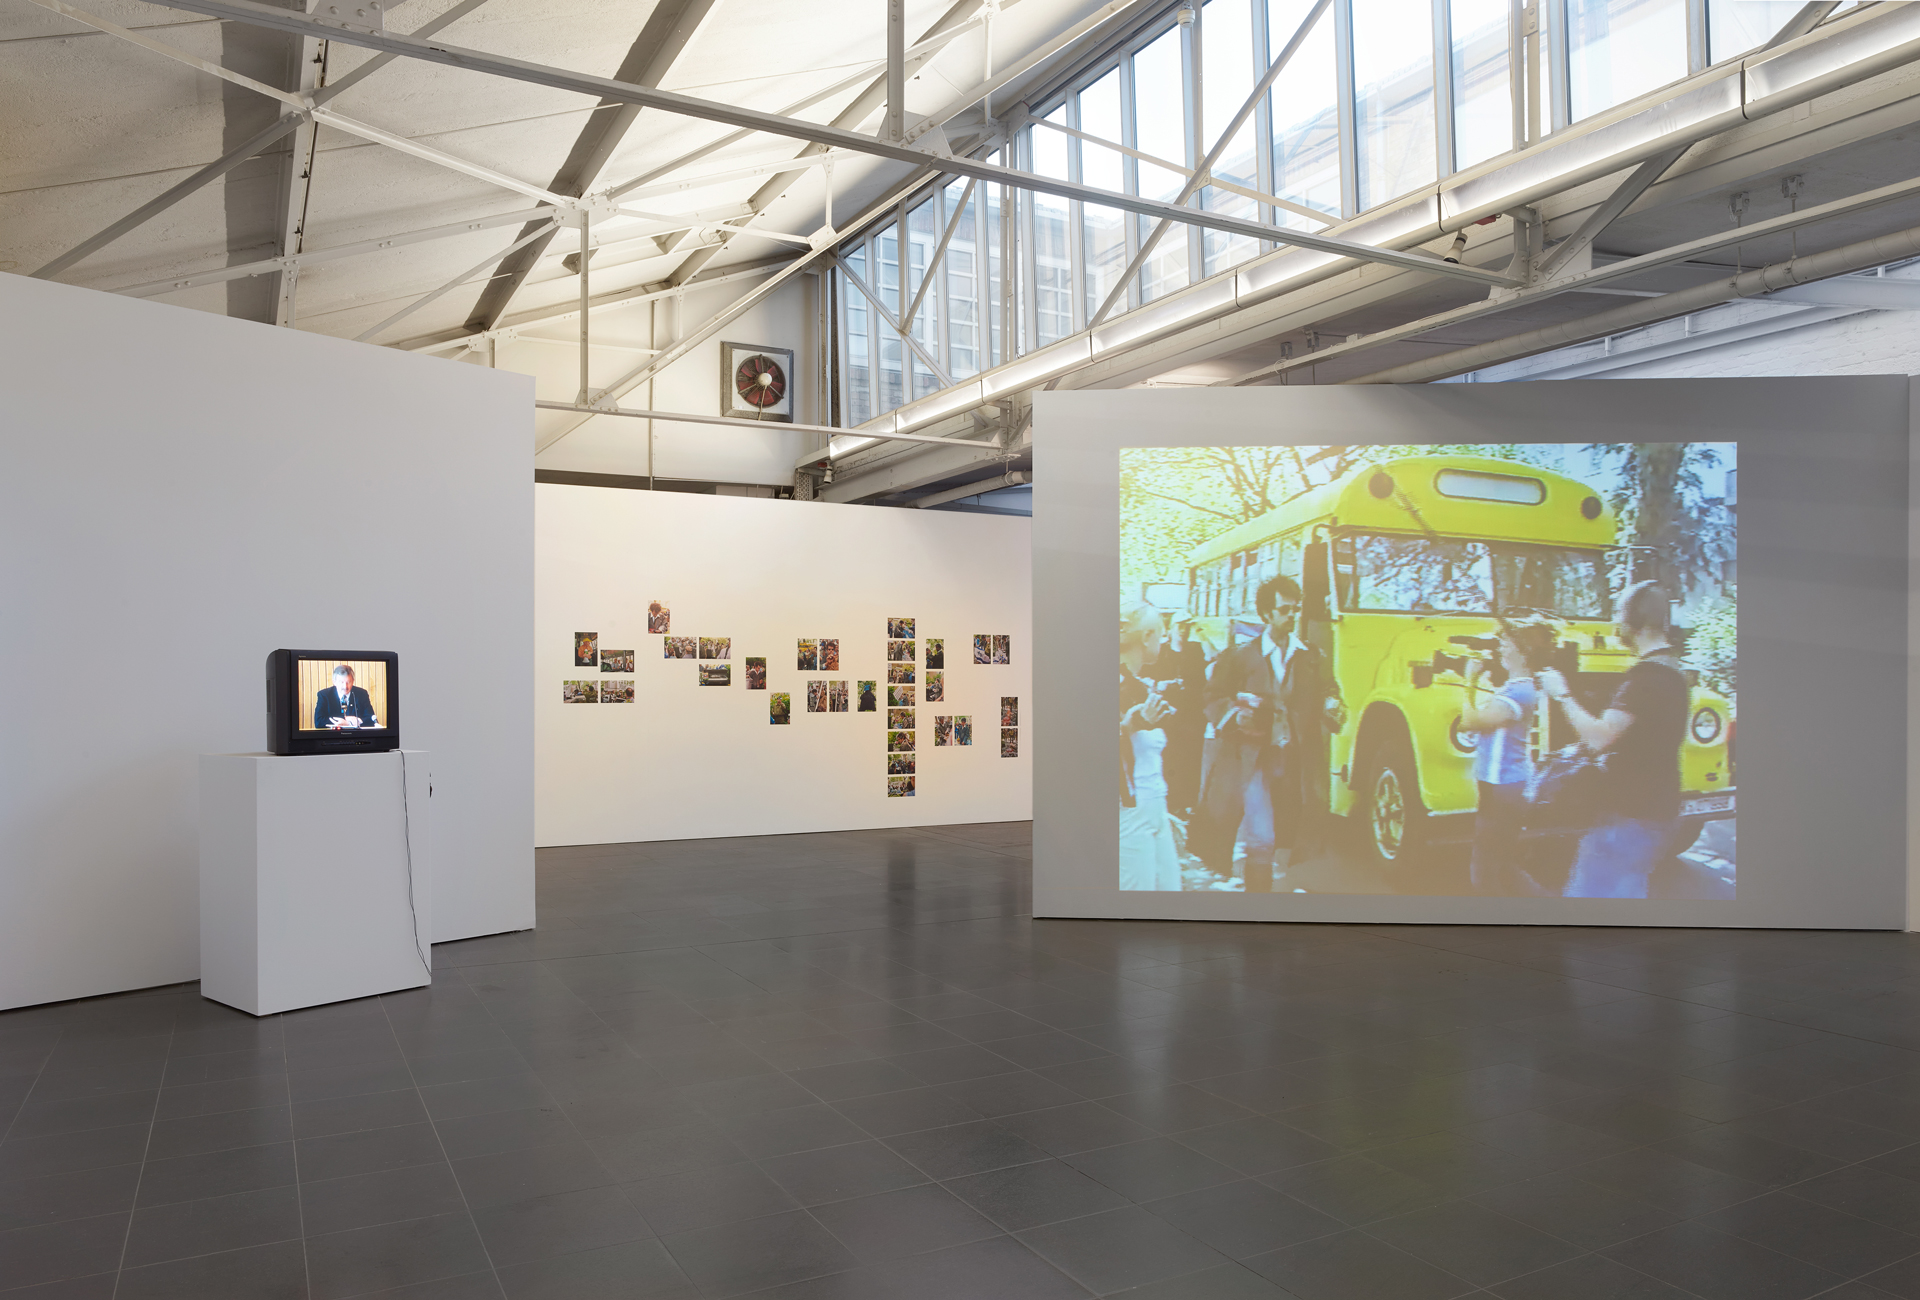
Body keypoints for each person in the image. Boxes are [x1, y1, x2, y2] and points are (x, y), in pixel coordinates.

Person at [1538, 581, 1689, 898]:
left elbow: (1599, 737)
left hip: (1630, 818)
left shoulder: (1646, 679)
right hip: (1659, 810)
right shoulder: (1674, 672)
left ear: (1634, 619)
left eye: (1619, 614)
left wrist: (1561, 693)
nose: (1616, 624)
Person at [1193, 575, 1342, 892]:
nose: (1292, 616)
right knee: (1261, 836)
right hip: (1253, 759)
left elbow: (1329, 690)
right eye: (1285, 610)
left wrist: (1333, 704)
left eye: (1295, 609)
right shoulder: (1239, 656)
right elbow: (1212, 697)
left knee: (1287, 837)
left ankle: (1263, 890)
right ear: (1266, 615)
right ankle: (1257, 903)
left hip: (1294, 763)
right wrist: (1236, 715)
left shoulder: (1311, 657)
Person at [1460, 622, 1554, 896]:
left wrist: (1470, 679)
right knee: (1500, 862)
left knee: (1484, 869)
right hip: (1503, 785)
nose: (1500, 646)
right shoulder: (1515, 689)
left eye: (1506, 643)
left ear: (1522, 652)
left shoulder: (1519, 693)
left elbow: (1470, 722)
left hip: (1503, 787)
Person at [1119, 603, 1180, 891]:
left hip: (1154, 806)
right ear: (1146, 637)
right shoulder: (1113, 683)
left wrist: (1161, 811)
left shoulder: (1141, 687)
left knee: (1171, 893)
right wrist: (1132, 723)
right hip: (1129, 813)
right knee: (1136, 903)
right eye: (1162, 634)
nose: (1165, 640)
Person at [1150, 615, 1208, 821]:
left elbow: (1207, 676)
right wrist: (1162, 685)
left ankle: (1188, 804)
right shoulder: (1162, 653)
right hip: (1168, 717)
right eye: (1180, 626)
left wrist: (1202, 633)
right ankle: (1171, 803)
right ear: (1172, 627)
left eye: (1188, 626)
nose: (1184, 630)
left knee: (1192, 759)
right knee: (1170, 758)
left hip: (1192, 716)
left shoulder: (1196, 650)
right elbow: (1148, 680)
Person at [314, 665, 378, 729]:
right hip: (332, 736)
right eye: (341, 682)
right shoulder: (324, 695)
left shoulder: (361, 694)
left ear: (353, 681)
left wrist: (349, 723)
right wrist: (345, 721)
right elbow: (318, 721)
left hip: (356, 736)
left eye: (348, 682)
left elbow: (371, 719)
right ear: (334, 682)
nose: (345, 686)